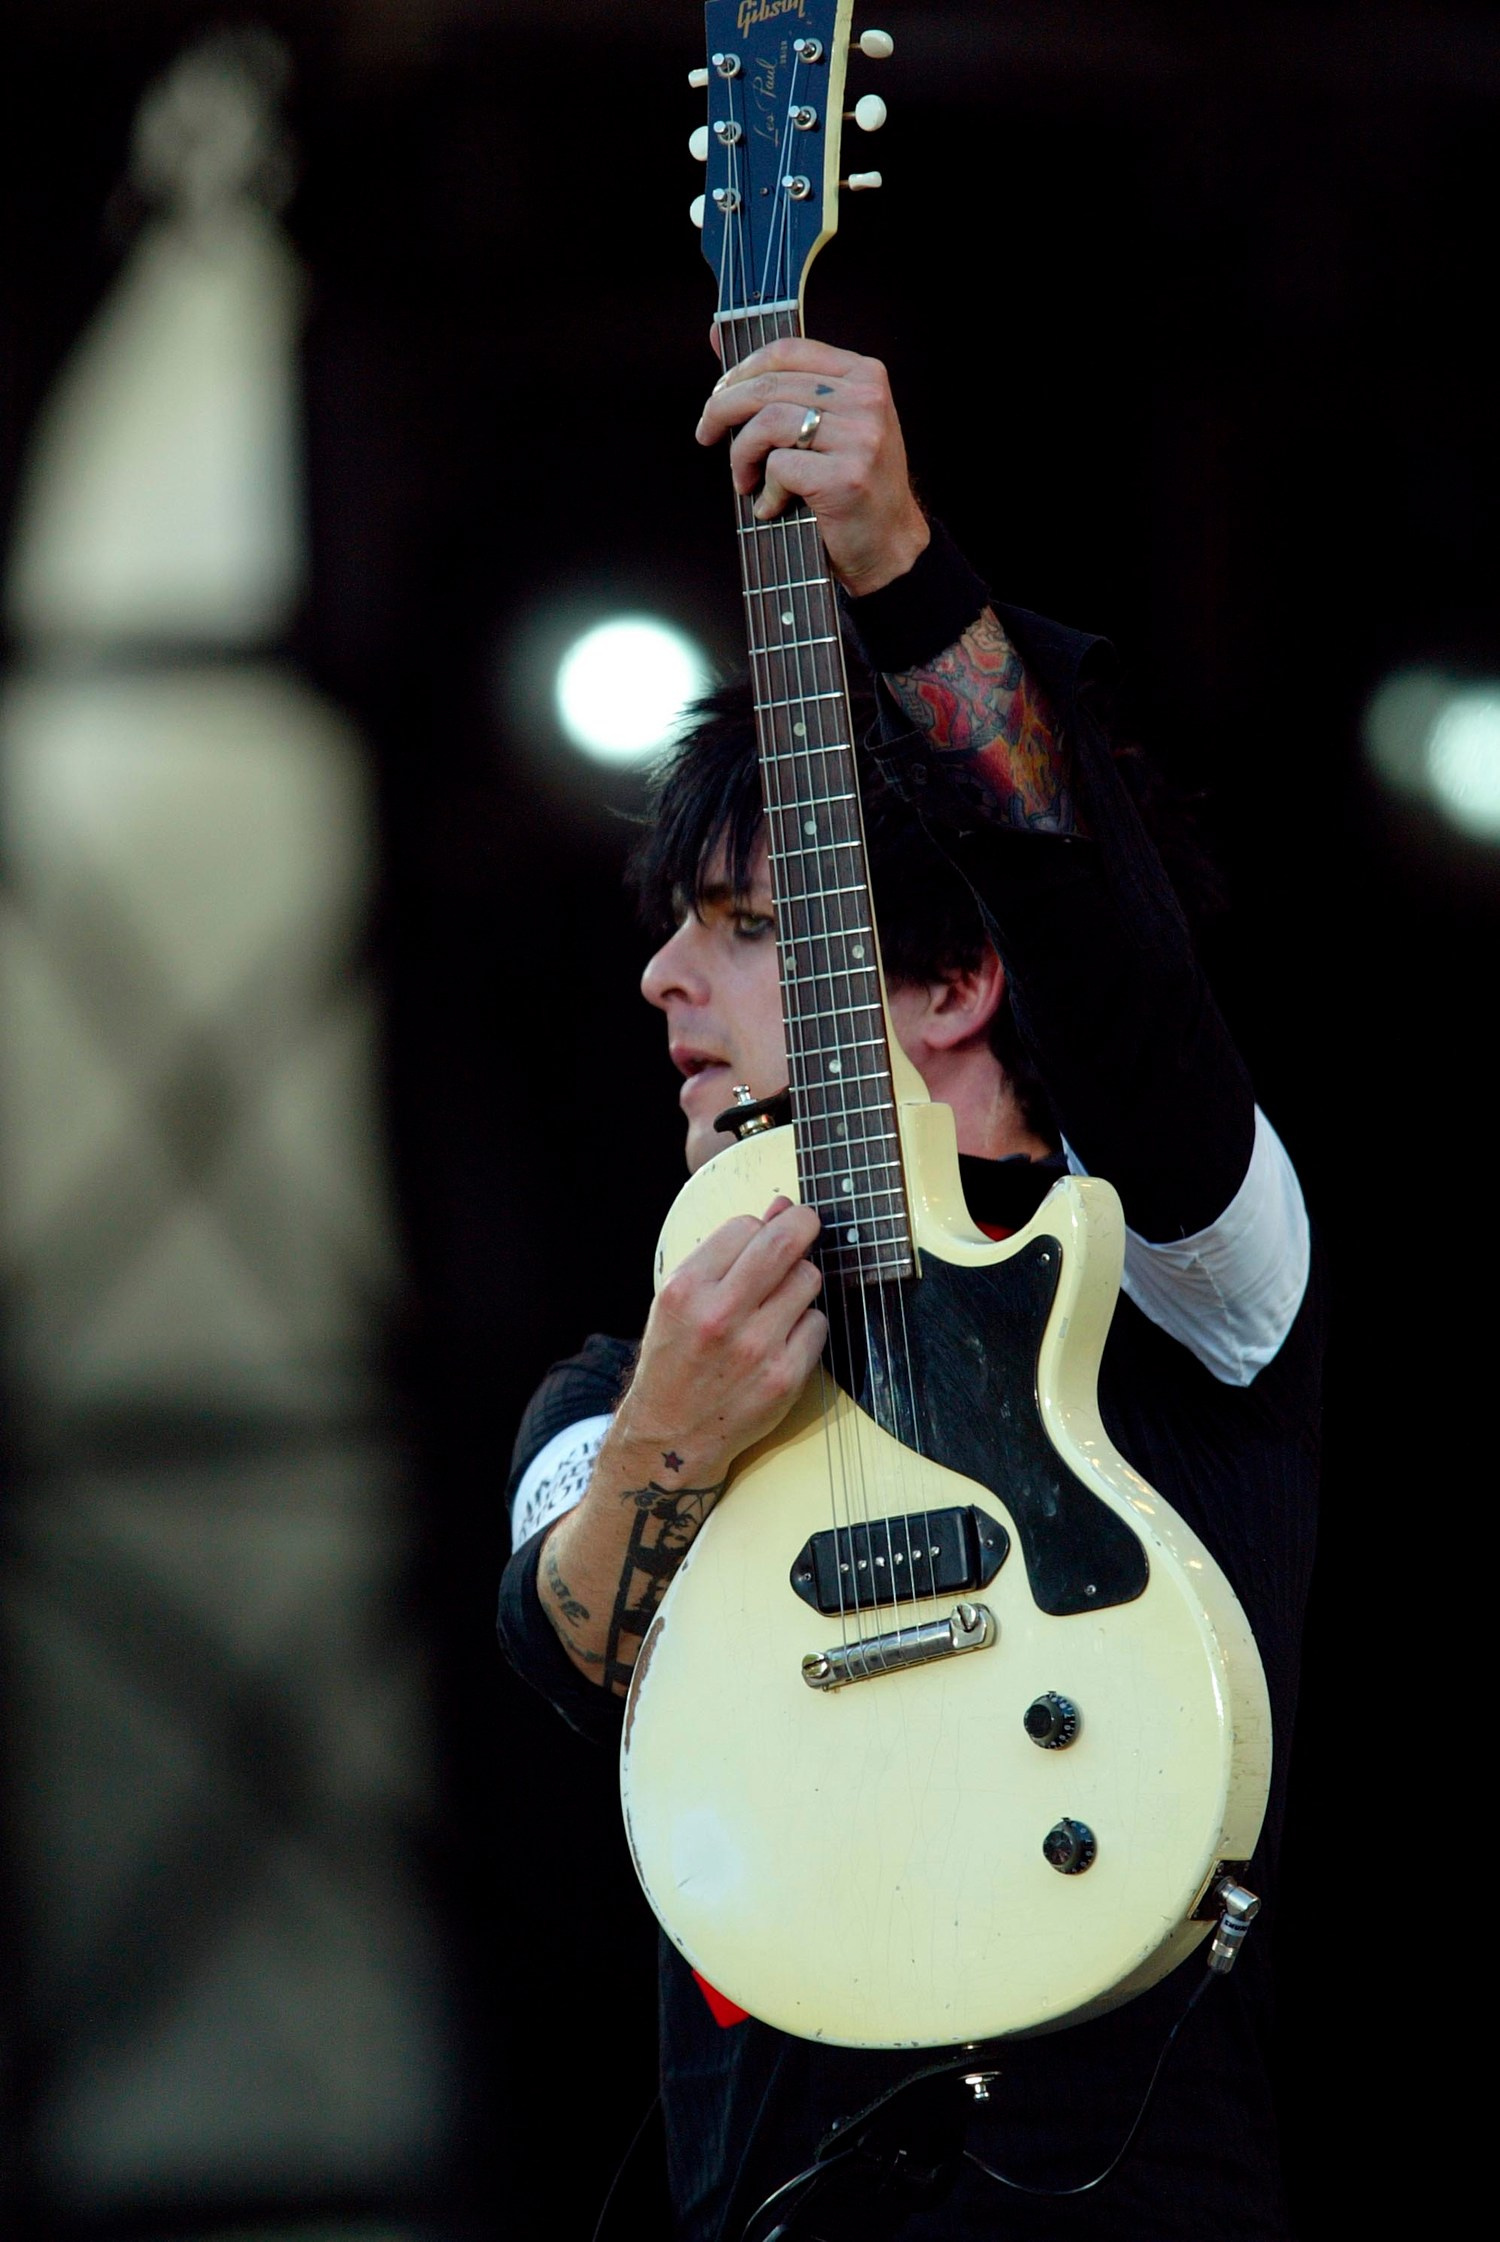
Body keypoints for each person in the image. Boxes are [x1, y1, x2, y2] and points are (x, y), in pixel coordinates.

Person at [497, 339, 1323, 2240]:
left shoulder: (1177, 1270)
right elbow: (554, 1641)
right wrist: (670, 1440)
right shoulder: (621, 1383)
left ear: (953, 984)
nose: (664, 982)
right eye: (675, 933)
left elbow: (1108, 955)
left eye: (746, 928)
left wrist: (893, 563)